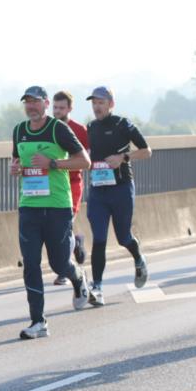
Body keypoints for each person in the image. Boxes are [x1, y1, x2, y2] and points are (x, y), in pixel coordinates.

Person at [9, 86, 92, 339]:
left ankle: (78, 280)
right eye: (27, 103)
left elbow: (84, 161)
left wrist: (53, 163)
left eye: (35, 102)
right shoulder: (19, 131)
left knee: (59, 264)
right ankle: (38, 321)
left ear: (46, 104)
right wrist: (16, 169)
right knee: (31, 264)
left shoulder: (58, 129)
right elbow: (17, 161)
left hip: (57, 206)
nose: (31, 107)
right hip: (29, 207)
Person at [84, 86, 153, 306]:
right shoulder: (91, 127)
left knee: (123, 237)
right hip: (98, 190)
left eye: (101, 103)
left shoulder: (123, 124)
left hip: (121, 188)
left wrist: (123, 157)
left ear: (111, 104)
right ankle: (97, 288)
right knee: (99, 239)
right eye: (94, 103)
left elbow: (147, 151)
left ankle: (139, 258)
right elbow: (85, 153)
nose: (97, 107)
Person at [51, 90, 89, 285]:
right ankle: (77, 241)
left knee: (65, 223)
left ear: (70, 108)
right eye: (55, 107)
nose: (57, 111)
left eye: (61, 108)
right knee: (59, 226)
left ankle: (64, 271)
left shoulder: (79, 130)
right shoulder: (47, 127)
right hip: (53, 184)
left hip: (72, 183)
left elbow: (87, 158)